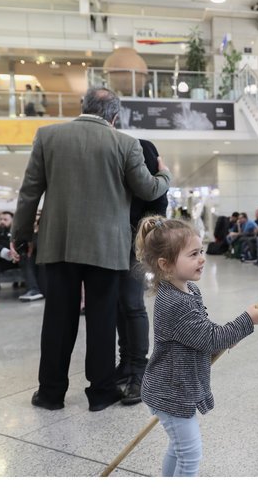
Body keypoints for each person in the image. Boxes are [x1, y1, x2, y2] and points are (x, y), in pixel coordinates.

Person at [11, 87, 172, 412]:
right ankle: (100, 393)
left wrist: (21, 235)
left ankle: (50, 394)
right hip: (107, 248)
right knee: (101, 320)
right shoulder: (125, 143)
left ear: (82, 106)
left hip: (58, 246)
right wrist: (165, 174)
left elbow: (30, 192)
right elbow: (148, 188)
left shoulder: (48, 136)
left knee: (57, 320)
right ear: (114, 116)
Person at [134, 217, 258, 476]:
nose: (202, 258)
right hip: (170, 392)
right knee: (190, 454)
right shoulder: (174, 303)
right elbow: (211, 338)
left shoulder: (189, 290)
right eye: (193, 254)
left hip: (176, 386)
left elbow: (203, 333)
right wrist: (246, 321)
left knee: (179, 448)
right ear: (166, 265)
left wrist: (226, 337)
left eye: (201, 251)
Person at [115, 138, 169, 405]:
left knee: (132, 304)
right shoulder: (119, 165)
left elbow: (159, 211)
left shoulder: (146, 157)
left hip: (135, 247)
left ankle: (140, 370)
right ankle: (126, 363)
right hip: (112, 244)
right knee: (119, 306)